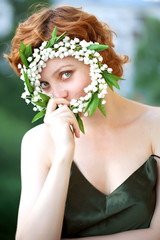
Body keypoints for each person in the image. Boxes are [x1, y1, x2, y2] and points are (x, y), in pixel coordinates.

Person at [5, 5, 160, 240]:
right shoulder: (38, 142)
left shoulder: (156, 125)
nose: (58, 95)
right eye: (44, 85)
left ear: (99, 59)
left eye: (65, 74)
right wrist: (63, 155)